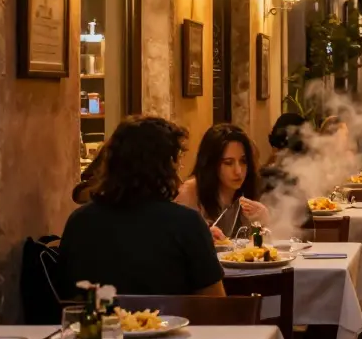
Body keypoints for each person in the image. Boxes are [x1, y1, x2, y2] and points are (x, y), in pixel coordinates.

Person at [57, 116, 225, 297]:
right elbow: (214, 303)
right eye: (178, 160)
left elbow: (66, 293)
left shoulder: (79, 222)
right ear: (168, 164)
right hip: (169, 324)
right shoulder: (187, 224)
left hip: (97, 324)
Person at [176, 123, 269, 240]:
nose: (238, 171)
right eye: (228, 163)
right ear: (211, 164)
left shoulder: (247, 193)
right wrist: (200, 236)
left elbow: (254, 252)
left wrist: (261, 223)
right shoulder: (191, 192)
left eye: (243, 161)